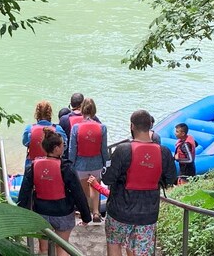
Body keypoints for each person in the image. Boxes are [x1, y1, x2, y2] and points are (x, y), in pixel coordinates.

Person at [102, 110, 177, 256]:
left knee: (114, 244)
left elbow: (107, 179)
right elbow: (171, 178)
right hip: (148, 214)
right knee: (140, 250)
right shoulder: (164, 152)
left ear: (132, 126)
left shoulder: (122, 150)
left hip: (119, 211)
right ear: (150, 126)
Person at [17, 128, 91, 256]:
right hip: (63, 213)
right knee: (62, 247)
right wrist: (85, 216)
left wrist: (21, 214)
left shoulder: (33, 167)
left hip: (41, 212)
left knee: (43, 249)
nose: (64, 147)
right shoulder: (66, 168)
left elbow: (24, 192)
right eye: (63, 145)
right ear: (56, 148)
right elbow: (78, 193)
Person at [69, 98, 108, 223]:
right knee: (96, 187)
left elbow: (72, 149)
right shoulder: (102, 128)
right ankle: (96, 212)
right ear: (94, 110)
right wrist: (104, 162)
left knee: (84, 191)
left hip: (81, 164)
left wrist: (71, 164)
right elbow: (104, 148)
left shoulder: (76, 128)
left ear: (82, 110)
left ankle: (85, 215)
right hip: (96, 163)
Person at [22, 100, 67, 167]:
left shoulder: (29, 129)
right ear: (50, 113)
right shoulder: (58, 129)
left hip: (32, 165)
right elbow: (65, 146)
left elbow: (25, 143)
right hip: (53, 164)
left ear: (36, 114)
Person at [59, 93, 101, 158]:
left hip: (69, 158)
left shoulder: (64, 119)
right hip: (90, 157)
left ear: (71, 104)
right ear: (83, 104)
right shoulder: (93, 118)